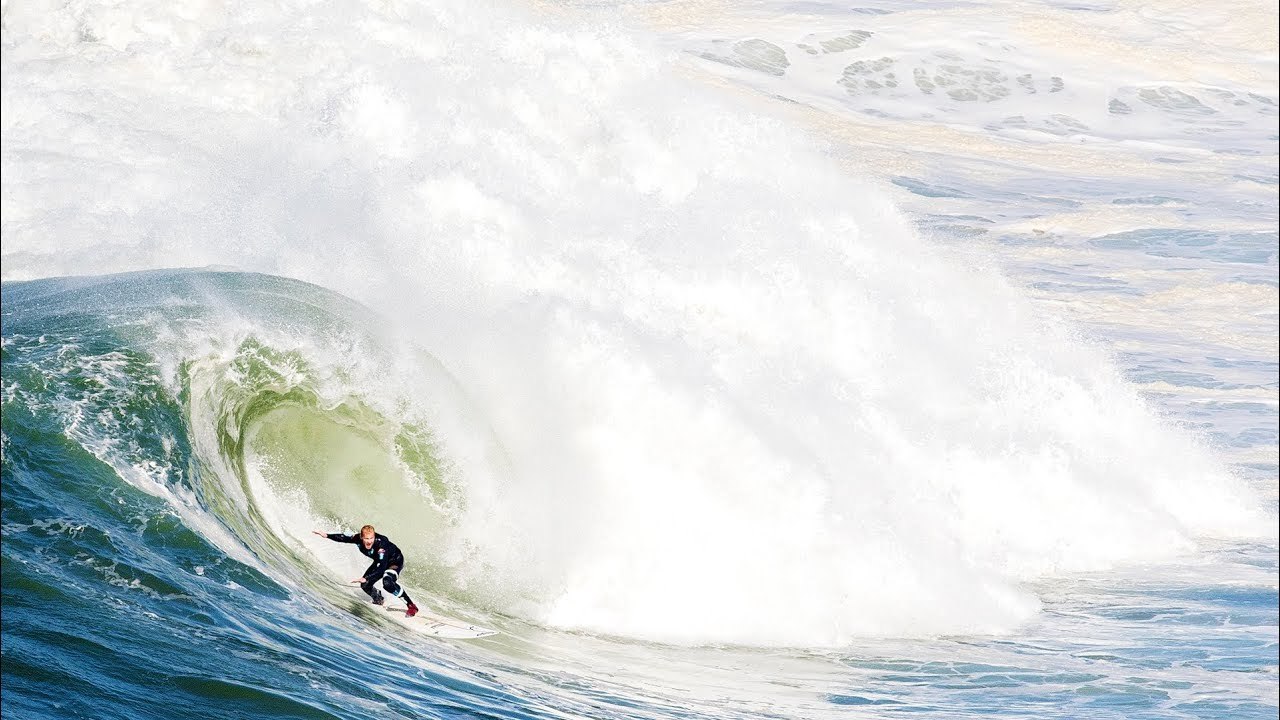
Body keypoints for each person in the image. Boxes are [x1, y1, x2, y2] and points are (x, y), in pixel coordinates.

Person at [313, 524, 419, 617]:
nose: (369, 541)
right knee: (365, 585)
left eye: (371, 538)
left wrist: (366, 577)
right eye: (366, 538)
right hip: (379, 561)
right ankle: (378, 599)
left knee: (387, 583)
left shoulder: (381, 544)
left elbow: (382, 568)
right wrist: (326, 535)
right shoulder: (357, 538)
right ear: (361, 537)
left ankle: (411, 606)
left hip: (394, 561)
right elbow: (344, 537)